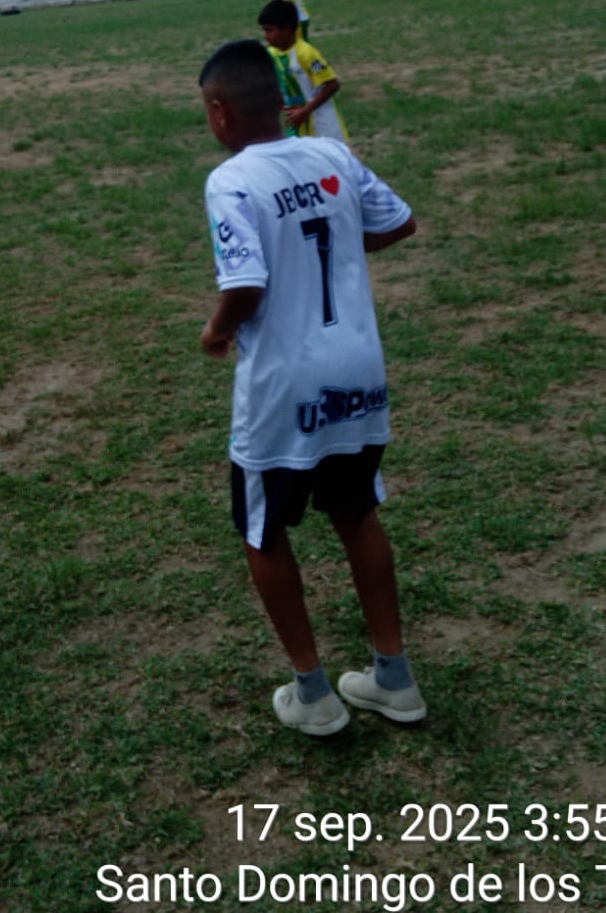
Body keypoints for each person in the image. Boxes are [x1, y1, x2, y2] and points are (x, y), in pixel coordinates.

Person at [198, 38, 423, 735]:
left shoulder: (230, 180)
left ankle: (313, 693)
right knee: (357, 513)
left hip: (284, 386)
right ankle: (394, 679)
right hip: (358, 368)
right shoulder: (331, 155)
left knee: (263, 531)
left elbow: (244, 284)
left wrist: (215, 330)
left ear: (219, 112)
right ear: (277, 100)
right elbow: (400, 221)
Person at [258, 0, 348, 143]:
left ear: (287, 28)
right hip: (296, 124)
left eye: (269, 30)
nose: (265, 35)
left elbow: (332, 84)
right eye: (264, 30)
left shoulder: (308, 55)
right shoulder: (272, 54)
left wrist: (305, 110)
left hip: (320, 125)